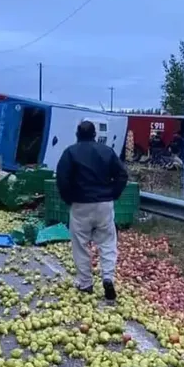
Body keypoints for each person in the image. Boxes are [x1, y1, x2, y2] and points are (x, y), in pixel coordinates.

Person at [56, 121, 129, 301]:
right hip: (104, 203)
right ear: (95, 134)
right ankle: (108, 278)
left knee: (80, 244)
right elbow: (122, 174)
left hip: (80, 204)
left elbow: (62, 179)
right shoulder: (107, 151)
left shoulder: (70, 152)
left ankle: (86, 283)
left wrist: (69, 198)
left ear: (77, 134)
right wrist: (113, 193)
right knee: (107, 242)